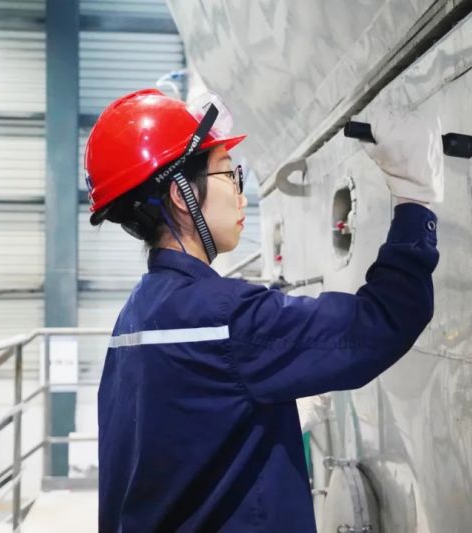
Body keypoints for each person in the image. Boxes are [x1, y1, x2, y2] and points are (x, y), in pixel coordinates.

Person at [85, 88, 441, 532]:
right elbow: (383, 321)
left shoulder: (133, 318)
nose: (241, 194)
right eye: (228, 173)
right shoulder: (225, 317)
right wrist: (414, 200)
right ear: (181, 193)